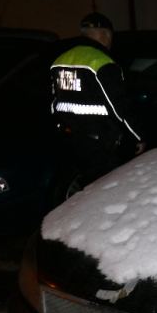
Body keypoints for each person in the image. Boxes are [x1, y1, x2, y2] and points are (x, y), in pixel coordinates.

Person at [50, 12, 145, 192]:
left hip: (70, 138)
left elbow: (55, 101)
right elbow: (119, 107)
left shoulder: (60, 60)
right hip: (100, 143)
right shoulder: (102, 62)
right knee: (105, 189)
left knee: (85, 186)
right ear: (106, 34)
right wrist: (137, 136)